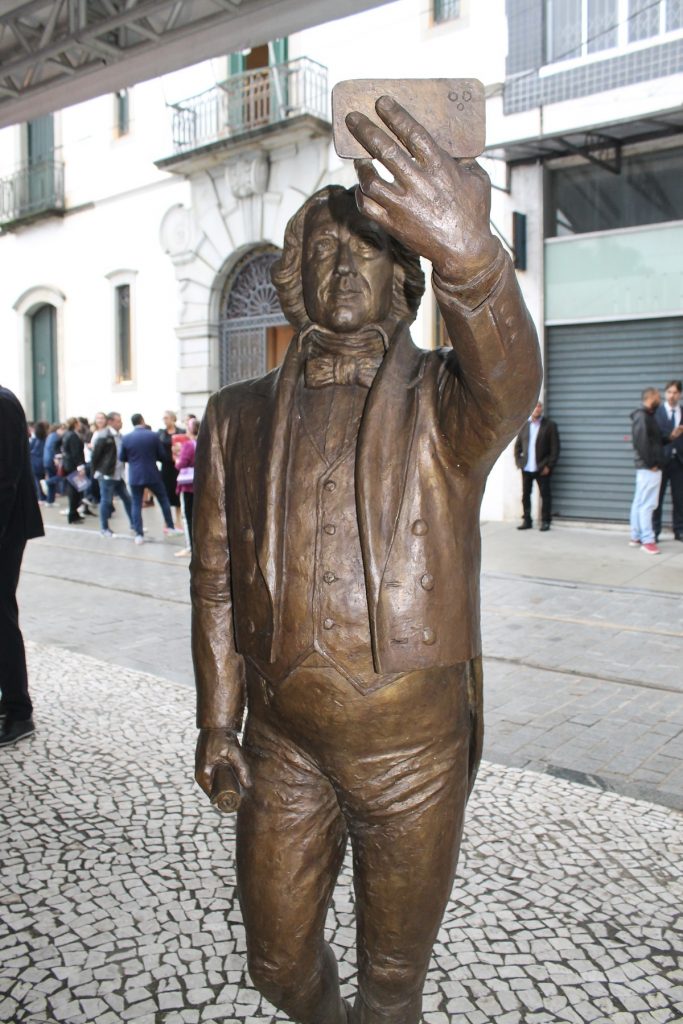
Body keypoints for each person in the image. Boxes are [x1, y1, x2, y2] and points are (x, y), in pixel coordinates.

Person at [191, 97, 541, 1024]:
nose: (339, 265)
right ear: (290, 276)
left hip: (409, 752)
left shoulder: (445, 403)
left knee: (393, 984)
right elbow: (217, 579)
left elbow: (512, 380)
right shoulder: (235, 416)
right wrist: (217, 722)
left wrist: (474, 262)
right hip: (284, 740)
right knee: (275, 963)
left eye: (366, 251)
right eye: (318, 250)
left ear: (403, 282)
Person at [0, 386, 44, 747]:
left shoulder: (2, 402)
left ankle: (19, 711)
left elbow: (6, 479)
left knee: (2, 616)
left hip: (6, 529)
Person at [120, 413, 183, 545]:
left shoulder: (126, 438)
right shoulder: (153, 435)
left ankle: (139, 534)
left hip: (135, 475)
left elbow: (122, 457)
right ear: (142, 421)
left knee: (136, 503)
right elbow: (161, 455)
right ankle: (170, 527)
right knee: (163, 499)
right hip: (152, 473)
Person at [514, 400, 560, 531]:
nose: (537, 408)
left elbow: (555, 448)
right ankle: (527, 520)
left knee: (545, 495)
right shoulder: (524, 426)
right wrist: (519, 462)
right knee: (525, 495)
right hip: (527, 467)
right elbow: (517, 446)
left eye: (539, 406)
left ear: (542, 409)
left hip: (542, 468)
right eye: (535, 406)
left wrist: (549, 466)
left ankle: (546, 521)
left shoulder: (550, 426)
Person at [629, 387, 664, 555]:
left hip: (647, 467)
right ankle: (648, 540)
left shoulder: (647, 416)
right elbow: (641, 443)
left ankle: (636, 536)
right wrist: (652, 464)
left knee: (640, 502)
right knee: (648, 504)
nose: (660, 399)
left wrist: (671, 436)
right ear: (651, 398)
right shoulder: (642, 417)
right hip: (649, 467)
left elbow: (654, 441)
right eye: (658, 396)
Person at [91, 411, 134, 537]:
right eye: (118, 421)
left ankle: (134, 524)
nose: (120, 423)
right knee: (106, 500)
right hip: (107, 474)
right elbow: (96, 456)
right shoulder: (103, 435)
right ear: (110, 422)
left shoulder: (120, 436)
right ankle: (104, 528)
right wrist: (97, 471)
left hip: (118, 474)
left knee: (127, 499)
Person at [653, 379, 683, 542]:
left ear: (680, 394)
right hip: (661, 461)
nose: (672, 396)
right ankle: (654, 530)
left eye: (675, 392)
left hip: (679, 462)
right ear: (665, 393)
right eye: (669, 392)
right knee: (656, 498)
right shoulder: (657, 413)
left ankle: (679, 530)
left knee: (680, 498)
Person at [174, 416, 199, 558]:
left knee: (187, 517)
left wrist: (177, 457)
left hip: (188, 485)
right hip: (200, 483)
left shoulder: (189, 445)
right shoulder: (205, 442)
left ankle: (190, 547)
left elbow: (181, 464)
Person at [158, 410, 183, 529]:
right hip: (166, 466)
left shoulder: (181, 432)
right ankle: (167, 520)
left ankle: (178, 520)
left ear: (173, 419)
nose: (165, 420)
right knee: (166, 493)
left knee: (177, 493)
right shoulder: (161, 433)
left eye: (166, 418)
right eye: (163, 418)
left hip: (178, 467)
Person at [61, 417, 86, 524]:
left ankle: (74, 513)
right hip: (73, 466)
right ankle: (72, 514)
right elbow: (76, 453)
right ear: (75, 424)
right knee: (74, 491)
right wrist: (80, 467)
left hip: (68, 465)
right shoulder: (73, 436)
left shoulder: (67, 434)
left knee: (76, 490)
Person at [43, 423, 65, 505]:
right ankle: (47, 482)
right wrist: (56, 458)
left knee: (53, 481)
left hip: (47, 460)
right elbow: (53, 449)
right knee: (59, 477)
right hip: (51, 461)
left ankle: (50, 500)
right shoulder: (55, 436)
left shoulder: (51, 436)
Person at [29, 420, 48, 502]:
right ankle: (43, 495)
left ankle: (41, 496)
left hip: (34, 462)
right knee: (41, 479)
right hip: (42, 461)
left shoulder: (34, 440)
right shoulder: (45, 440)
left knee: (37, 480)